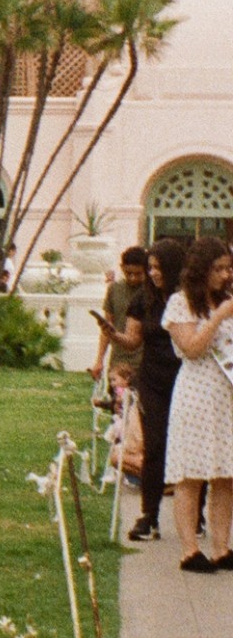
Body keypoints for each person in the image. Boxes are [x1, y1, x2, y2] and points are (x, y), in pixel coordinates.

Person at [164, 233, 233, 572]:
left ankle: (221, 546)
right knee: (191, 473)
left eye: (228, 268)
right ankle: (189, 550)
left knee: (226, 474)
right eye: (218, 269)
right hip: (195, 392)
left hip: (226, 395)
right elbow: (191, 348)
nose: (225, 275)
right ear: (202, 270)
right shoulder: (180, 303)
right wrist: (219, 317)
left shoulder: (229, 300)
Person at [116, 235, 183, 539]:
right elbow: (132, 340)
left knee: (186, 446)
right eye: (150, 267)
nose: (153, 273)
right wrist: (114, 336)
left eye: (158, 267)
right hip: (153, 380)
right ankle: (149, 515)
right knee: (154, 446)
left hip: (185, 380)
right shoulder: (143, 299)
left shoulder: (187, 298)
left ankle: (196, 512)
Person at [94, 243, 149, 382]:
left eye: (138, 274)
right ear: (122, 268)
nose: (133, 278)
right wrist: (99, 360)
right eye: (129, 273)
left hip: (144, 361)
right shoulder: (114, 290)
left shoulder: (151, 292)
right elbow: (107, 328)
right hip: (118, 361)